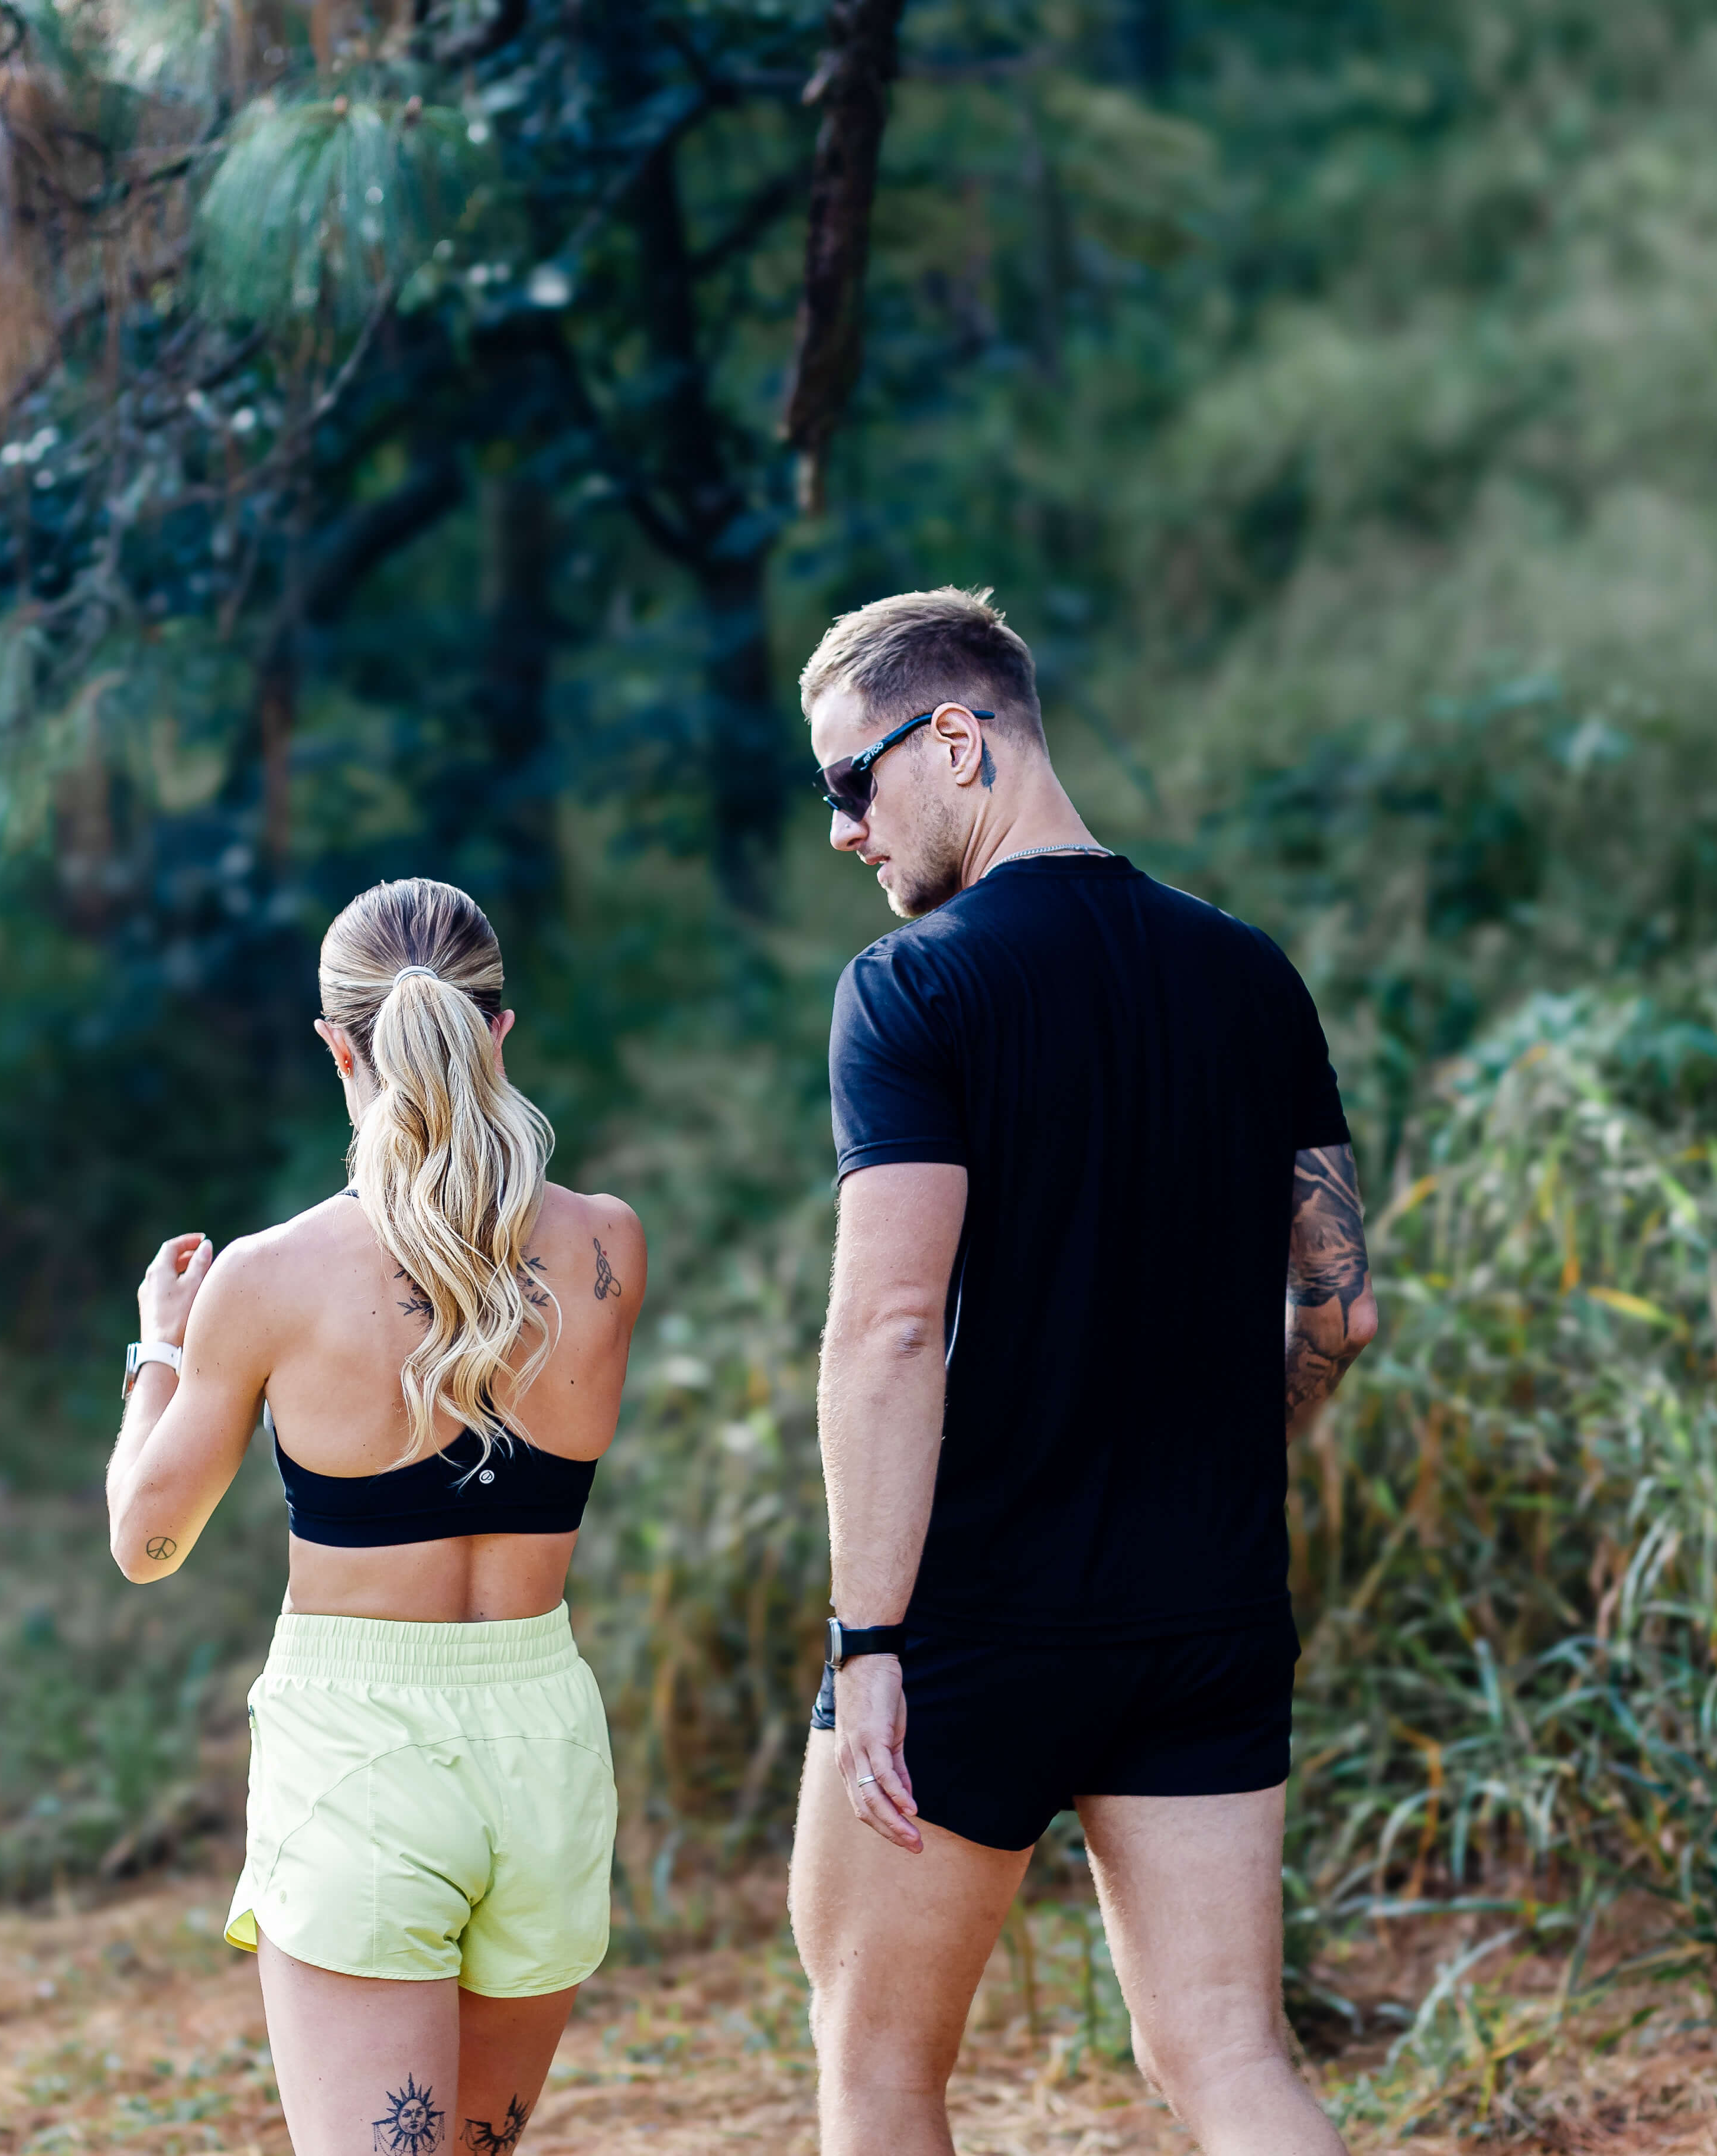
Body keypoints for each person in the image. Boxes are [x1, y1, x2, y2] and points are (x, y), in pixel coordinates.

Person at [788, 589, 1377, 2156]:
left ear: (960, 739)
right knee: (1230, 2060)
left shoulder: (912, 992)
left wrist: (871, 1645)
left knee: (880, 2067)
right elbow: (1340, 1309)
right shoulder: (1251, 974)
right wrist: (1216, 1455)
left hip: (977, 1613)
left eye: (851, 783)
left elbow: (890, 1330)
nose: (842, 831)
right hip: (1211, 1603)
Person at [105, 877, 645, 2156]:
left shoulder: (275, 1278)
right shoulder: (607, 1248)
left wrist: (160, 1355)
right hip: (542, 1745)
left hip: (361, 1750)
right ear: (499, 1030)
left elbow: (146, 1543)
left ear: (338, 1046)